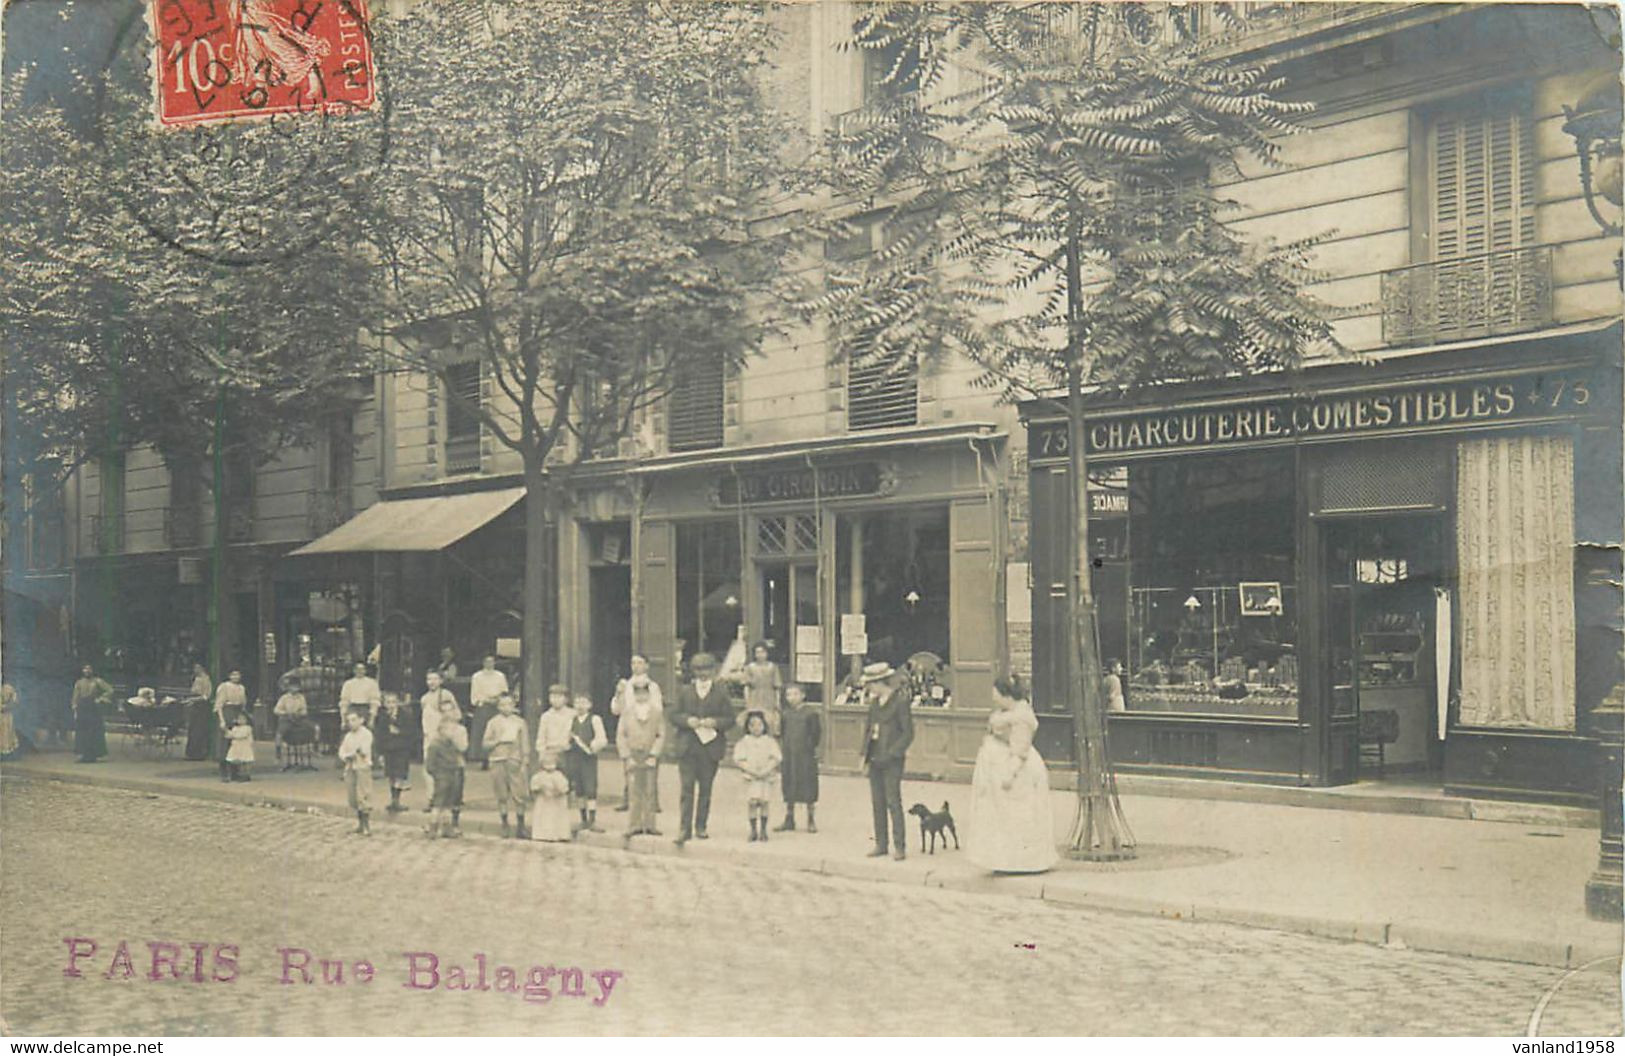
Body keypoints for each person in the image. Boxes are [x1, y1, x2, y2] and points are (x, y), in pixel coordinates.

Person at [967, 674, 1058, 874]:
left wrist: (1010, 774)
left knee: (1020, 815)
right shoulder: (1009, 711)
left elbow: (1020, 749)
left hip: (1019, 771)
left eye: (996, 693)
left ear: (1006, 694)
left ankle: (1024, 862)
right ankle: (1005, 861)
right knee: (1003, 817)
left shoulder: (1021, 716)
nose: (993, 697)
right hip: (1004, 764)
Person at [667, 652, 735, 848]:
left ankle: (701, 826)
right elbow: (673, 715)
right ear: (693, 672)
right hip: (688, 746)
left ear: (713, 670)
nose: (703, 674)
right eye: (698, 670)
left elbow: (730, 719)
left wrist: (715, 722)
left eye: (706, 669)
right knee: (686, 789)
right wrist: (688, 720)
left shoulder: (721, 692)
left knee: (705, 789)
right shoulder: (685, 691)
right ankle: (684, 828)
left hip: (710, 747)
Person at [860, 661, 913, 861]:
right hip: (875, 758)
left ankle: (900, 846)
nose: (869, 689)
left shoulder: (900, 702)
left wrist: (893, 752)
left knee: (893, 801)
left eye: (871, 685)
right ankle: (881, 844)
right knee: (877, 802)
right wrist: (864, 757)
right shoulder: (874, 705)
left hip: (891, 760)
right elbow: (868, 731)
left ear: (881, 683)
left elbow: (908, 733)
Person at [609, 655, 662, 813]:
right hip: (629, 727)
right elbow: (615, 710)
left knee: (650, 765)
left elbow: (657, 708)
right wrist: (618, 694)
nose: (636, 666)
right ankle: (629, 799)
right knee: (629, 765)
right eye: (633, 663)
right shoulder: (625, 685)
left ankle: (652, 801)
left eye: (640, 663)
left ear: (647, 666)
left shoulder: (652, 687)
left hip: (646, 726)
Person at [615, 674, 664, 842]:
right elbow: (621, 736)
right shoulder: (627, 713)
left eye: (644, 693)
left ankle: (650, 824)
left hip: (649, 755)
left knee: (650, 790)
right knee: (634, 790)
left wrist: (654, 754)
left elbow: (661, 735)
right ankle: (634, 825)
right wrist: (627, 756)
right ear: (634, 695)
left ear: (649, 695)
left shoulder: (656, 713)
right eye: (638, 693)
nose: (641, 696)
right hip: (633, 754)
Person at [775, 682, 822, 833]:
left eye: (795, 694)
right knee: (789, 782)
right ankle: (789, 818)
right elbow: (782, 732)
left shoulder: (810, 713)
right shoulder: (786, 713)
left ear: (803, 695)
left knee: (808, 784)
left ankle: (811, 819)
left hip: (805, 755)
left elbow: (816, 734)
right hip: (789, 753)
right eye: (788, 694)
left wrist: (810, 748)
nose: (792, 698)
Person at [482, 692, 530, 839]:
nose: (506, 707)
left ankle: (521, 826)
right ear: (497, 706)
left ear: (514, 705)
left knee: (519, 793)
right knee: (501, 794)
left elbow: (525, 743)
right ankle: (504, 823)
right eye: (502, 704)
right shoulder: (493, 722)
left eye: (509, 704)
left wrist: (525, 759)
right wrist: (497, 740)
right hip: (497, 759)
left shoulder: (520, 722)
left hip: (514, 759)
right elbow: (485, 744)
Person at [734, 710, 782, 843]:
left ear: (764, 726)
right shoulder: (744, 742)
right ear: (747, 727)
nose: (756, 728)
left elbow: (776, 757)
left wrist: (766, 770)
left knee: (764, 802)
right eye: (752, 725)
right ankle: (753, 830)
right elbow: (740, 759)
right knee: (752, 803)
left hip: (765, 776)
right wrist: (752, 771)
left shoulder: (769, 741)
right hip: (752, 777)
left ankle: (764, 830)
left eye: (759, 725)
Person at [564, 693, 608, 834]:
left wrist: (593, 746)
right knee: (579, 789)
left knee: (590, 788)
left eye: (583, 702)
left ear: (589, 705)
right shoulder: (571, 721)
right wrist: (568, 742)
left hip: (588, 758)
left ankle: (592, 820)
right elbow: (565, 738)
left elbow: (601, 738)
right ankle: (583, 819)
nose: (580, 706)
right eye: (577, 703)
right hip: (575, 757)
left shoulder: (595, 720)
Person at [419, 670, 458, 813]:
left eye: (435, 679)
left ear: (441, 680)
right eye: (429, 679)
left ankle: (448, 799)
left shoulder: (446, 695)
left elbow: (456, 714)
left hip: (444, 736)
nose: (432, 682)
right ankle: (431, 798)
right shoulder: (424, 699)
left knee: (446, 768)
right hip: (429, 736)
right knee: (429, 768)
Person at [424, 712, 467, 839]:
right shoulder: (435, 745)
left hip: (452, 775)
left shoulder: (453, 744)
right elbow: (429, 765)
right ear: (441, 730)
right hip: (441, 777)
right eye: (450, 729)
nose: (453, 732)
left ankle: (447, 827)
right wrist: (437, 775)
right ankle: (433, 827)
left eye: (454, 729)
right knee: (438, 804)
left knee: (449, 804)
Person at [467, 654, 508, 772]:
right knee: (482, 732)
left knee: (498, 732)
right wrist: (485, 699)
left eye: (492, 661)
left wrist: (498, 699)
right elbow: (475, 695)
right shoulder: (477, 677)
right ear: (483, 662)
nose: (490, 664)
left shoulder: (500, 676)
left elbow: (504, 691)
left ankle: (498, 757)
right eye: (487, 661)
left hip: (497, 705)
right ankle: (483, 759)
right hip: (483, 706)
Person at [373, 692, 414, 812]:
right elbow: (379, 735)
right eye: (388, 702)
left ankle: (397, 800)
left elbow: (412, 732)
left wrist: (399, 731)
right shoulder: (382, 717)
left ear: (398, 703)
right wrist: (379, 752)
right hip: (388, 749)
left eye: (393, 702)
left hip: (402, 748)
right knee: (391, 774)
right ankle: (393, 799)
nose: (391, 705)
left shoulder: (405, 715)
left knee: (400, 774)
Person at [337, 708, 374, 836]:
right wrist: (345, 756)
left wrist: (355, 753)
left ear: (361, 720)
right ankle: (359, 823)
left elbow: (363, 750)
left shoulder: (366, 734)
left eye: (354, 720)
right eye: (349, 721)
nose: (351, 723)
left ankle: (366, 826)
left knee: (363, 795)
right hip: (350, 767)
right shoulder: (348, 736)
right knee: (353, 797)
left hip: (362, 767)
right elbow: (342, 751)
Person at [69, 664, 112, 764]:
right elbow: (75, 696)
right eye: (85, 668)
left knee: (93, 731)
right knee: (82, 732)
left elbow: (109, 690)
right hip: (82, 708)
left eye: (89, 669)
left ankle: (93, 754)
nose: (87, 671)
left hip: (93, 709)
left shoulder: (98, 681)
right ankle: (84, 754)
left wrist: (100, 699)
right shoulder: (79, 683)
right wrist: (75, 708)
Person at [528, 751, 573, 842]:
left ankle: (560, 834)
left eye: (551, 764)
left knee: (556, 817)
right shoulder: (539, 776)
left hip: (556, 801)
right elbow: (534, 786)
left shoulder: (559, 776)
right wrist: (540, 789)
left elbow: (564, 788)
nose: (549, 768)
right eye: (546, 764)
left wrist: (558, 790)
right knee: (544, 817)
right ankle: (542, 834)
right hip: (544, 800)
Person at [740, 642, 783, 736]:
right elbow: (746, 686)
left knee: (769, 722)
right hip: (754, 697)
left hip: (769, 697)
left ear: (767, 653)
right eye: (757, 652)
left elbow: (777, 686)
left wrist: (777, 701)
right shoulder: (750, 667)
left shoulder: (773, 667)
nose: (760, 655)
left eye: (762, 652)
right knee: (755, 720)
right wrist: (747, 701)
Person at [213, 670, 249, 781]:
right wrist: (221, 720)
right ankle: (224, 772)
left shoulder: (241, 688)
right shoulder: (224, 687)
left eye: (238, 674)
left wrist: (242, 718)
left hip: (237, 713)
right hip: (227, 712)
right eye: (233, 674)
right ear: (229, 676)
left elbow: (243, 704)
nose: (236, 677)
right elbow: (219, 705)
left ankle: (235, 772)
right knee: (225, 743)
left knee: (237, 744)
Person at [534, 683, 576, 770]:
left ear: (566, 699)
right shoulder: (546, 716)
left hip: (568, 752)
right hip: (550, 751)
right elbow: (541, 736)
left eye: (559, 697)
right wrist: (542, 752)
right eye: (553, 697)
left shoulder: (573, 714)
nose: (555, 700)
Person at [272, 677, 308, 767]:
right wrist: (286, 713)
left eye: (296, 686)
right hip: (286, 719)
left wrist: (299, 713)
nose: (294, 688)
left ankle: (313, 748)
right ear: (288, 687)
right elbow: (276, 710)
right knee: (280, 733)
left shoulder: (301, 697)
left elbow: (304, 710)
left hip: (298, 719)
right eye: (292, 686)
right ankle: (278, 753)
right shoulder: (284, 698)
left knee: (311, 727)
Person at [184, 663, 213, 760]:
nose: (195, 669)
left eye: (197, 668)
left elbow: (206, 696)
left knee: (199, 729)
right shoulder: (197, 679)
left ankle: (199, 753)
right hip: (195, 706)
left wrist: (194, 700)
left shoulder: (206, 679)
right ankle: (191, 753)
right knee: (193, 729)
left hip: (201, 707)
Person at [225, 712, 255, 782]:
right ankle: (234, 775)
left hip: (244, 746)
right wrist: (226, 730)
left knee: (245, 761)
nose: (240, 720)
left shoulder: (248, 728)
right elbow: (229, 735)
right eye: (239, 719)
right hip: (236, 746)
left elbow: (241, 735)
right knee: (232, 760)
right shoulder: (235, 728)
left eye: (243, 719)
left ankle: (246, 775)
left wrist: (233, 735)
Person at [0, 682, 22, 760]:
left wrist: (6, 707)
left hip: (6, 716)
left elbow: (14, 702)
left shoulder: (8, 688)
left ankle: (7, 754)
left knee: (6, 733)